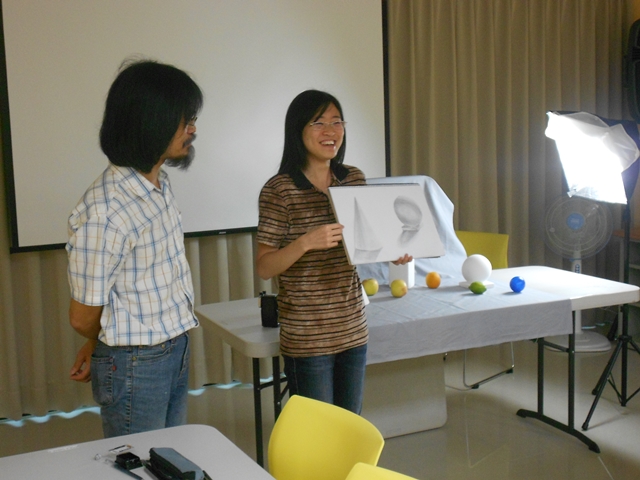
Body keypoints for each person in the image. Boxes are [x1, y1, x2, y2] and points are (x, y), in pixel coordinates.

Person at [66, 59, 204, 437]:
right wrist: (104, 345)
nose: (192, 129)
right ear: (150, 123)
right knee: (139, 461)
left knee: (168, 455)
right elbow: (81, 316)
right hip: (136, 362)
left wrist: (98, 342)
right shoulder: (107, 211)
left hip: (172, 348)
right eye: (184, 120)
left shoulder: (158, 184)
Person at [256, 90, 411, 414]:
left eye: (337, 122)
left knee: (350, 425)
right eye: (319, 123)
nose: (331, 131)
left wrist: (391, 251)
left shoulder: (352, 178)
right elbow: (265, 267)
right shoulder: (279, 189)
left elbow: (365, 241)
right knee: (319, 431)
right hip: (307, 337)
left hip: (352, 328)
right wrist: (305, 242)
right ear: (298, 130)